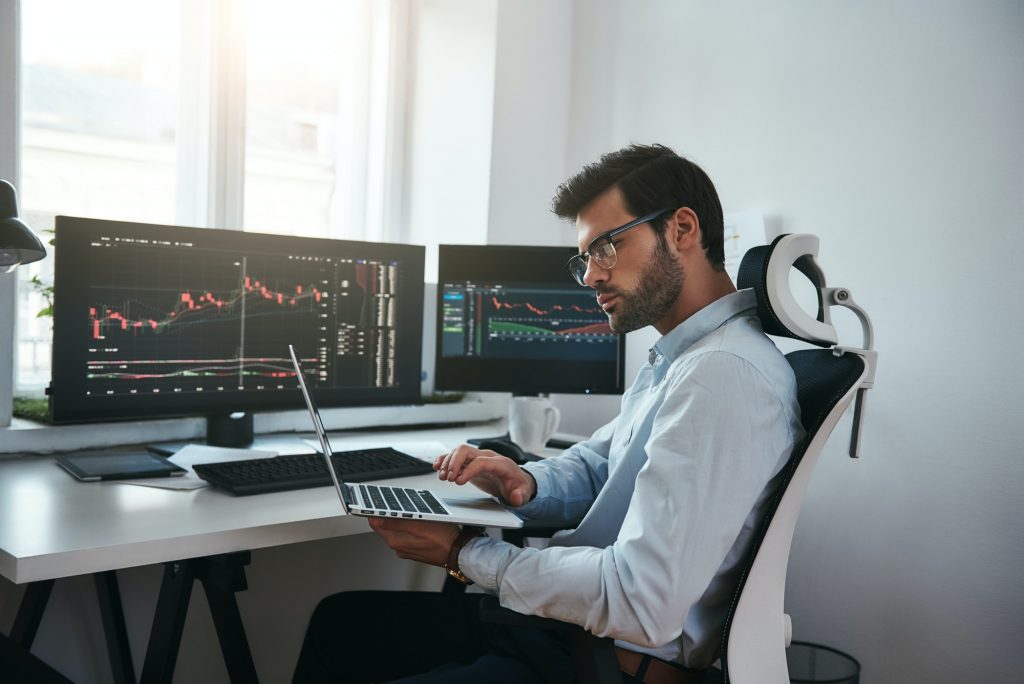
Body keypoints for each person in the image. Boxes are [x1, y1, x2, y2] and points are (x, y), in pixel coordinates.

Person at [293, 143, 804, 683]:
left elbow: (642, 602)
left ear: (681, 229)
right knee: (340, 623)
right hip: (563, 633)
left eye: (605, 248)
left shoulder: (721, 375)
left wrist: (463, 554)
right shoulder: (682, 357)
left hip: (597, 661)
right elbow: (600, 466)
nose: (588, 277)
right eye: (583, 258)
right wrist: (525, 482)